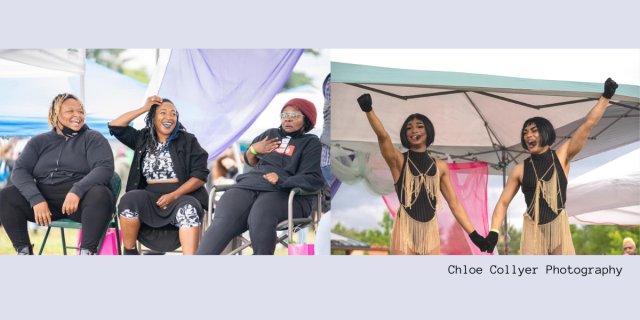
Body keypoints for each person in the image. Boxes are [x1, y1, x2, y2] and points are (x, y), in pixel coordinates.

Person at [487, 78, 619, 255]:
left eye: (534, 130)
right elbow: (502, 203)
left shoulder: (562, 155)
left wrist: (606, 97)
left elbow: (587, 125)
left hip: (559, 227)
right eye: (525, 132)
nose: (528, 135)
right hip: (532, 230)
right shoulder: (519, 170)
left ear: (545, 132)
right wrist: (493, 233)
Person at [357, 93, 487, 255]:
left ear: (428, 131)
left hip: (430, 232)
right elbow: (383, 136)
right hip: (405, 228)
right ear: (405, 134)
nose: (414, 130)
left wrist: (474, 235)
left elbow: (454, 204)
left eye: (419, 126)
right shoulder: (398, 160)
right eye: (409, 128)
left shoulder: (440, 167)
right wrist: (368, 110)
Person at [196, 98, 325, 255]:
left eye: (294, 115)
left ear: (307, 120)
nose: (288, 118)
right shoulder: (270, 134)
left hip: (286, 194)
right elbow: (251, 163)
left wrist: (283, 180)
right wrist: (252, 151)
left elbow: (314, 178)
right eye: (284, 115)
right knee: (226, 211)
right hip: (250, 185)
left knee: (262, 211)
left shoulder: (312, 143)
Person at [0, 93, 115, 255]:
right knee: (6, 195)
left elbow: (104, 168)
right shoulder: (38, 141)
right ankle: (24, 251)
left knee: (100, 193)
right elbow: (20, 171)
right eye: (70, 111)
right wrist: (36, 199)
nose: (77, 115)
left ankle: (87, 252)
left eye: (81, 111)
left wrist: (77, 190)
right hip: (45, 202)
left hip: (81, 203)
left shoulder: (93, 138)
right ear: (56, 115)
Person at [108, 96, 209, 255]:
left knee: (188, 209)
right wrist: (144, 108)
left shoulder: (188, 140)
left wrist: (173, 195)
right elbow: (115, 126)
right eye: (163, 112)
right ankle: (130, 252)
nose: (169, 117)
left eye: (173, 114)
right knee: (128, 200)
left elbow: (200, 176)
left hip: (182, 196)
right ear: (153, 118)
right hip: (150, 197)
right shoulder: (143, 138)